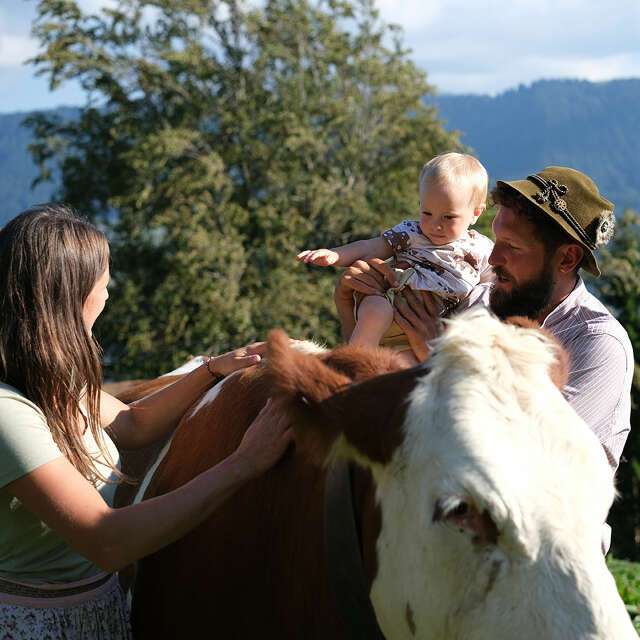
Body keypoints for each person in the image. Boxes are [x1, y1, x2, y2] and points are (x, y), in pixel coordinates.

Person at [0, 205, 294, 639]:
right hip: (34, 626)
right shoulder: (8, 412)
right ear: (72, 294)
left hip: (99, 611)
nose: (108, 291)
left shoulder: (50, 378)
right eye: (103, 281)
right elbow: (106, 541)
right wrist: (244, 462)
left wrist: (212, 370)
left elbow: (134, 424)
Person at [334, 166, 633, 479]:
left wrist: (441, 356)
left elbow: (536, 459)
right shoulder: (479, 300)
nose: (493, 258)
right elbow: (375, 380)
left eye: (512, 246)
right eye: (496, 239)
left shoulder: (598, 345)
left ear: (567, 259)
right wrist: (349, 308)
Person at [297, 153, 493, 365]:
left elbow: (493, 286)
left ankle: (368, 378)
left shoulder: (482, 249)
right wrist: (336, 255)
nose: (435, 224)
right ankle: (349, 366)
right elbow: (371, 246)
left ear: (475, 213)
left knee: (403, 366)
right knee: (374, 311)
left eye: (448, 217)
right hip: (390, 305)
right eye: (426, 213)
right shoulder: (412, 232)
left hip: (429, 332)